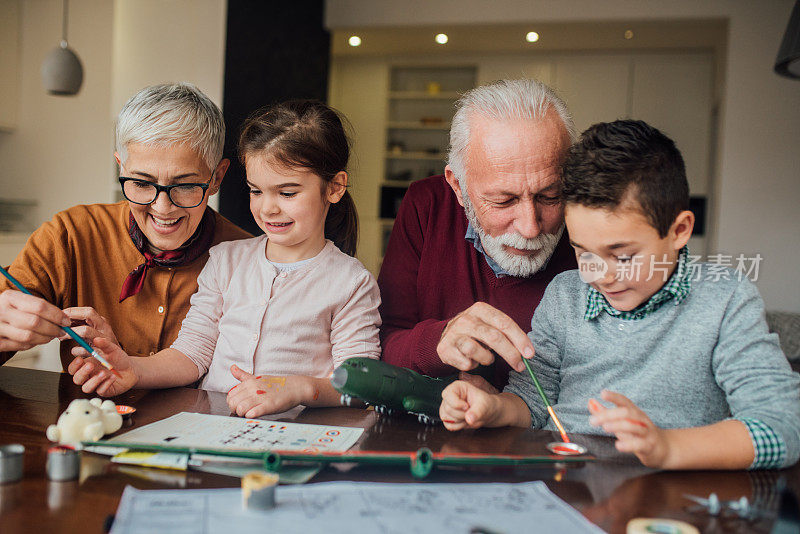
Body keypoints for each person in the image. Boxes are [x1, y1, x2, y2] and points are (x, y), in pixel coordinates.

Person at [439, 120, 800, 470]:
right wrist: (492, 408)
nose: (601, 274)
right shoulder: (564, 297)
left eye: (623, 256)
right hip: (567, 487)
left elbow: (783, 427)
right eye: (583, 252)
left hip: (671, 501)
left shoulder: (724, 299)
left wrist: (669, 448)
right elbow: (534, 404)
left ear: (679, 230)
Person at [69, 100, 382, 418]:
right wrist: (133, 368)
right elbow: (191, 354)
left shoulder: (351, 282)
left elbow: (362, 385)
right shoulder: (225, 261)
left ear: (334, 187)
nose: (268, 208)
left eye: (287, 193)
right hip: (213, 428)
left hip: (296, 438)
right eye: (256, 191)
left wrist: (300, 388)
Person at [0, 83, 250, 369]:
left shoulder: (248, 259)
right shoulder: (69, 235)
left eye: (184, 186)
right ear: (121, 167)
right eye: (142, 183)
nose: (162, 207)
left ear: (216, 178)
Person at [378, 79, 577, 390]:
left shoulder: (593, 225)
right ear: (457, 186)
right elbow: (384, 342)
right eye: (504, 200)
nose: (530, 228)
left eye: (550, 196)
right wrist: (439, 340)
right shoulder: (426, 205)